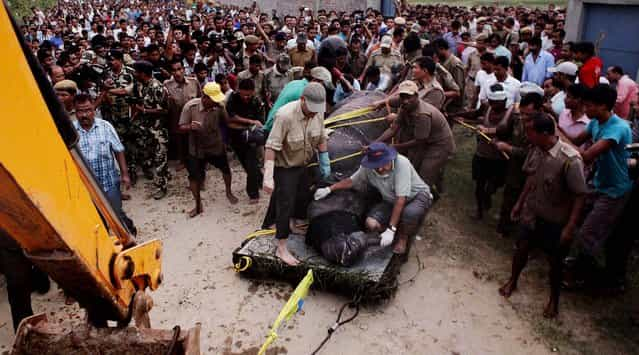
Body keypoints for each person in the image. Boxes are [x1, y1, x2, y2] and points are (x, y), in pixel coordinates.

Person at [499, 113, 587, 319]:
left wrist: (569, 228)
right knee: (521, 249)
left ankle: (553, 301)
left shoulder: (570, 160)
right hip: (533, 213)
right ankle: (513, 280)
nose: (527, 135)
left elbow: (580, 196)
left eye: (531, 132)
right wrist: (520, 203)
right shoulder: (537, 150)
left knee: (555, 263)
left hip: (555, 220)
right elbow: (532, 178)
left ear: (545, 133)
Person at [314, 142, 433, 254]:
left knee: (410, 213)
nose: (380, 169)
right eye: (376, 165)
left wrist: (391, 229)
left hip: (416, 196)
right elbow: (351, 181)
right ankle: (394, 230)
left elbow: (401, 199)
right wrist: (329, 189)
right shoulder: (367, 167)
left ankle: (403, 237)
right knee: (371, 223)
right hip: (390, 200)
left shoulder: (402, 164)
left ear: (389, 158)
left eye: (383, 164)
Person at [568, 84, 633, 284]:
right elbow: (575, 141)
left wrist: (556, 135)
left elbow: (586, 156)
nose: (585, 110)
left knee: (590, 231)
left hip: (614, 190)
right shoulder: (595, 123)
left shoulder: (618, 128)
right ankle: (580, 261)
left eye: (588, 106)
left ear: (603, 106)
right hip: (598, 183)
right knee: (577, 219)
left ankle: (584, 274)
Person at [262, 82, 331, 266]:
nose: (315, 113)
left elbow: (322, 136)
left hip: (304, 164)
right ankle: (281, 247)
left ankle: (292, 224)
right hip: (285, 167)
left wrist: (325, 160)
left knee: (302, 196)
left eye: (318, 109)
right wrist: (268, 176)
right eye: (312, 109)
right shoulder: (285, 116)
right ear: (302, 100)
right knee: (285, 204)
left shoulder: (318, 112)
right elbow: (271, 146)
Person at [376, 81, 455, 196]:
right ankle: (434, 190)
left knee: (424, 176)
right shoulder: (404, 106)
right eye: (402, 97)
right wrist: (375, 143)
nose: (405, 100)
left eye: (409, 97)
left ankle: (422, 200)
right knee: (413, 167)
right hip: (426, 140)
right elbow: (393, 129)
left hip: (440, 145)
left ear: (417, 96)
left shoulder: (422, 115)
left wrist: (396, 147)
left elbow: (419, 141)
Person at [72, 94, 136, 232]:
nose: (84, 114)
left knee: (117, 215)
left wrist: (125, 175)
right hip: (86, 187)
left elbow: (119, 150)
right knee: (97, 220)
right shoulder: (71, 132)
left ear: (93, 109)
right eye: (80, 111)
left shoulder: (105, 126)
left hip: (109, 183)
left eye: (88, 110)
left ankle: (130, 236)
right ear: (75, 111)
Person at [108, 60, 169, 199]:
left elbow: (165, 110)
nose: (133, 74)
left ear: (142, 73)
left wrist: (144, 110)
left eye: (136, 72)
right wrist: (107, 90)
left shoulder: (157, 87)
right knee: (150, 154)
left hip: (158, 129)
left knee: (160, 157)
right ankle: (161, 174)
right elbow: (124, 91)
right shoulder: (139, 84)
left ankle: (162, 186)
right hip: (145, 128)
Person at [179, 82, 238, 217]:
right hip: (196, 147)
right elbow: (181, 127)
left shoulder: (219, 106)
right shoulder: (190, 107)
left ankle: (228, 192)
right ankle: (198, 205)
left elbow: (227, 122)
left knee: (225, 169)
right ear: (204, 97)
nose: (216, 102)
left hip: (215, 145)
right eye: (213, 99)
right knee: (194, 177)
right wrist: (190, 127)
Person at [226, 79, 266, 203]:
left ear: (253, 92)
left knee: (252, 164)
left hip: (251, 138)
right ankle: (260, 180)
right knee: (247, 165)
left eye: (248, 95)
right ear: (238, 90)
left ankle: (253, 194)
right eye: (243, 94)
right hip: (235, 138)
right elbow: (230, 120)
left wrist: (242, 124)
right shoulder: (233, 98)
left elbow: (260, 124)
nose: (245, 97)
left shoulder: (257, 102)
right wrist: (249, 122)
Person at [263, 66, 333, 133]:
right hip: (274, 130)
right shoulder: (304, 93)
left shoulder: (295, 83)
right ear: (315, 81)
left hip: (271, 125)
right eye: (323, 86)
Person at [164, 59, 202, 169]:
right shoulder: (167, 85)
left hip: (193, 116)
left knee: (194, 139)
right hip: (177, 117)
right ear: (171, 72)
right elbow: (165, 104)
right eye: (174, 70)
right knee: (180, 139)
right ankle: (182, 161)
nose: (177, 73)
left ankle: (197, 160)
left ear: (183, 69)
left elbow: (200, 98)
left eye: (179, 69)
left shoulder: (194, 82)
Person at [433, 38, 465, 112]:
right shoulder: (441, 61)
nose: (435, 54)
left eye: (436, 51)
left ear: (442, 49)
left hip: (453, 104)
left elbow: (459, 88)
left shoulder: (455, 64)